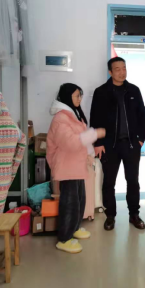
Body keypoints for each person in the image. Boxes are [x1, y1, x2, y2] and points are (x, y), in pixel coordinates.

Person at [90, 57, 145, 231]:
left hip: (131, 145)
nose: (122, 72)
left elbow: (143, 116)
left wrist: (141, 138)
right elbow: (95, 119)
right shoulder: (101, 92)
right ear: (110, 72)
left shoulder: (133, 90)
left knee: (133, 181)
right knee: (109, 182)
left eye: (124, 68)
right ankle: (110, 216)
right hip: (109, 146)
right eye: (117, 69)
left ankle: (134, 214)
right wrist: (98, 143)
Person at [47, 84, 106, 254]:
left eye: (80, 95)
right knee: (70, 203)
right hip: (67, 166)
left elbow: (81, 138)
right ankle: (64, 239)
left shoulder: (73, 115)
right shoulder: (60, 118)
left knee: (80, 199)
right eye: (76, 96)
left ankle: (74, 228)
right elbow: (71, 142)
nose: (79, 99)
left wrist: (90, 154)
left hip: (76, 164)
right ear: (67, 97)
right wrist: (95, 134)